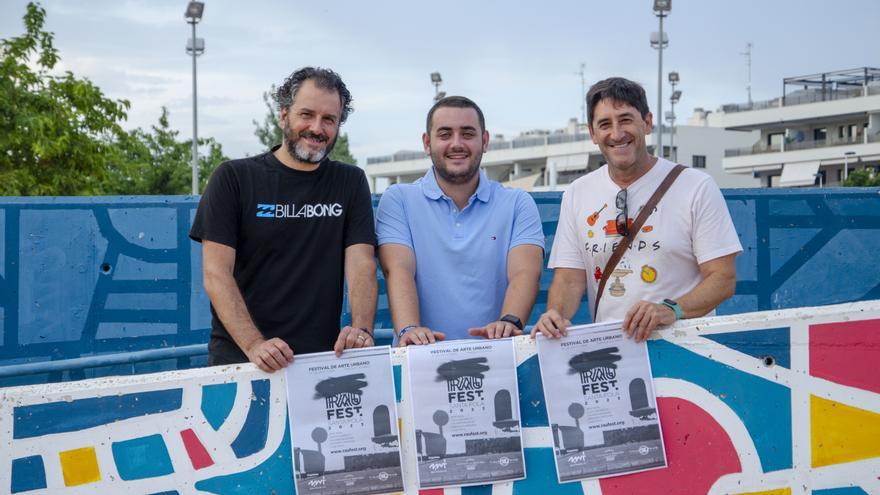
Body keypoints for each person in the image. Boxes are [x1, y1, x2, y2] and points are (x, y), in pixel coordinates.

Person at [190, 67, 377, 372]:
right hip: (242, 363)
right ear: (283, 116)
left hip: (319, 364)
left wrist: (362, 329)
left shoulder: (351, 181)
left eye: (329, 119)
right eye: (307, 114)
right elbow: (215, 274)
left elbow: (362, 263)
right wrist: (254, 344)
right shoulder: (233, 178)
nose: (317, 128)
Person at [534, 77, 740, 342]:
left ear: (648, 122)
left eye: (626, 119)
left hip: (688, 354)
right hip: (614, 354)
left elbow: (723, 278)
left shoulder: (696, 186)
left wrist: (672, 309)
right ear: (592, 133)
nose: (617, 134)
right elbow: (570, 279)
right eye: (605, 124)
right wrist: (556, 314)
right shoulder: (577, 193)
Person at [376, 96, 545, 346]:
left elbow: (525, 272)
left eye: (467, 134)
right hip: (420, 357)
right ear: (427, 142)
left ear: (484, 141)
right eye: (445, 134)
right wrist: (410, 330)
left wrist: (508, 323)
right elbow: (398, 269)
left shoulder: (518, 203)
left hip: (497, 357)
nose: (457, 144)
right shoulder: (398, 200)